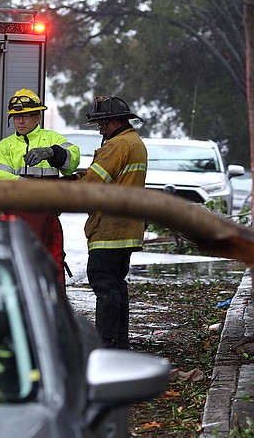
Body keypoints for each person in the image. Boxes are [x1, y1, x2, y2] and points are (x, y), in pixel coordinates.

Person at [76, 95, 147, 349]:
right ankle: (119, 343)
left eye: (102, 123)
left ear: (114, 122)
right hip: (127, 227)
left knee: (104, 284)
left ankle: (105, 345)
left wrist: (64, 187)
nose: (100, 129)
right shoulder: (134, 142)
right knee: (116, 286)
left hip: (109, 227)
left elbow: (93, 184)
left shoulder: (117, 145)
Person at [0, 88, 80, 285]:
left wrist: (52, 152)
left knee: (52, 267)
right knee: (17, 269)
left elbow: (72, 162)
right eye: (16, 117)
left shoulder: (52, 139)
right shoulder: (4, 147)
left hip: (48, 218)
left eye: (25, 116)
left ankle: (53, 313)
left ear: (38, 117)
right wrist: (30, 187)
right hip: (16, 220)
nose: (20, 121)